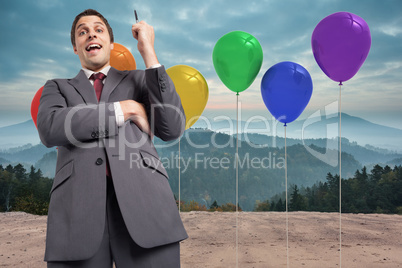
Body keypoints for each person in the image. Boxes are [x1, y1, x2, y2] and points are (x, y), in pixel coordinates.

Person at [37, 9, 187, 267]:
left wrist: (148, 52)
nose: (91, 34)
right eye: (82, 32)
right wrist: (125, 109)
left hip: (146, 205)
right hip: (77, 211)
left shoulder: (139, 80)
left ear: (111, 43)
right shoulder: (57, 87)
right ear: (76, 48)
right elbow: (51, 127)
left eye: (99, 29)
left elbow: (172, 127)